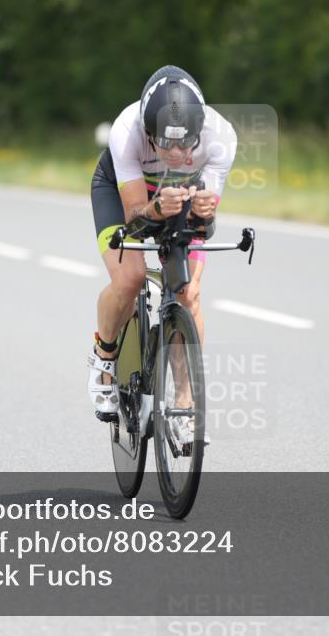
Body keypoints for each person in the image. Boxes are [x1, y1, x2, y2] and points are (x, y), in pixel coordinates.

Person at [88, 65, 236, 422]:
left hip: (181, 196)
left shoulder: (222, 137)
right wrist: (155, 207)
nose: (175, 152)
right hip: (127, 194)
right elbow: (136, 218)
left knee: (188, 293)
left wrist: (204, 212)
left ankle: (185, 400)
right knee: (130, 278)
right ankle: (104, 358)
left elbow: (205, 225)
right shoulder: (127, 130)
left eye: (185, 143)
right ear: (148, 133)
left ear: (200, 132)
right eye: (165, 142)